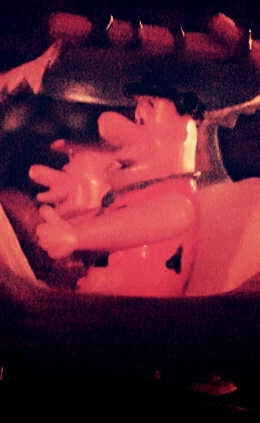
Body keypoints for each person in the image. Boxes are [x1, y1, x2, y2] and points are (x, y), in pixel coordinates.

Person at [31, 80, 203, 296]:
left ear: (182, 133)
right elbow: (108, 221)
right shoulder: (136, 196)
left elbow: (135, 225)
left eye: (150, 105)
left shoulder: (179, 202)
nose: (138, 112)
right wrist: (58, 226)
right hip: (107, 297)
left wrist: (75, 235)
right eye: (138, 105)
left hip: (140, 305)